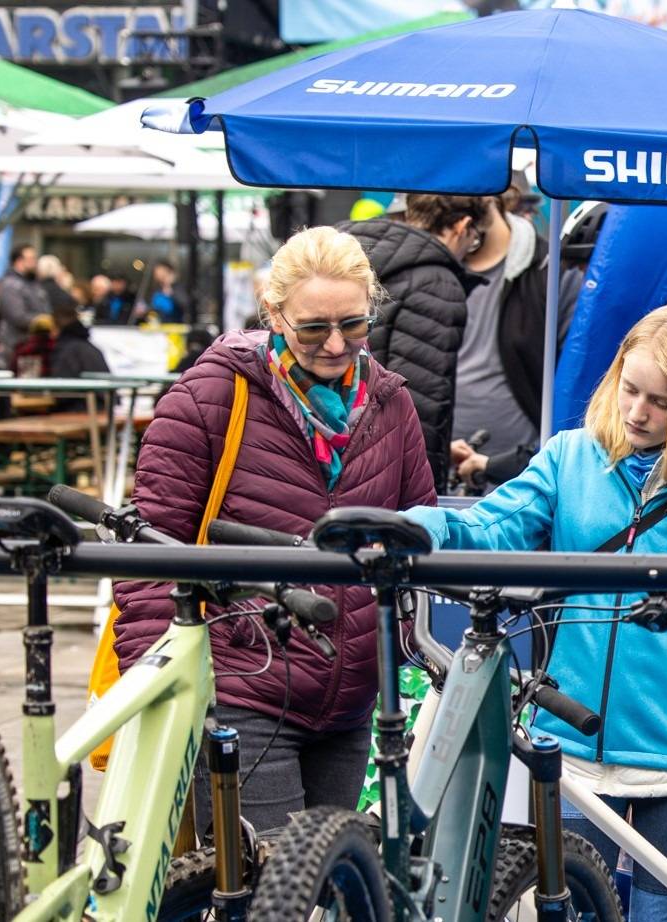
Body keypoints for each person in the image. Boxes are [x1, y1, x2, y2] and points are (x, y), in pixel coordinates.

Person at [404, 303, 667, 922]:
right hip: (572, 750)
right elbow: (491, 527)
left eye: (662, 402)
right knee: (568, 912)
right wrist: (414, 529)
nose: (637, 412)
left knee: (663, 918)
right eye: (630, 389)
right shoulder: (569, 457)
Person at [113, 226, 435, 833]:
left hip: (353, 700)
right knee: (269, 894)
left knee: (338, 884)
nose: (337, 345)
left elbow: (417, 530)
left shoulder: (391, 403)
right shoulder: (209, 396)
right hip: (244, 689)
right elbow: (147, 549)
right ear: (273, 312)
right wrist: (163, 691)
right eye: (314, 328)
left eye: (355, 324)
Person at [336, 193, 484, 493]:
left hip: (330, 457)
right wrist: (425, 490)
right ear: (462, 225)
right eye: (475, 239)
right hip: (386, 480)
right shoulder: (437, 283)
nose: (472, 249)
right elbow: (423, 407)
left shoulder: (347, 255)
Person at [446, 195, 581, 489]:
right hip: (432, 475)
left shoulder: (551, 270)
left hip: (522, 483)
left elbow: (578, 388)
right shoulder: (426, 268)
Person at [0, 244, 47, 348]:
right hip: (16, 343)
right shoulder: (10, 285)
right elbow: (18, 316)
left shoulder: (33, 283)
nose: (35, 263)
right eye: (31, 259)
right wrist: (43, 320)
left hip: (32, 342)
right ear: (19, 261)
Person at [47, 304, 110, 383]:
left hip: (84, 394)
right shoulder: (90, 347)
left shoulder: (67, 350)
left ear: (57, 328)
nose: (50, 335)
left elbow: (62, 384)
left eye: (51, 329)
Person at [11, 313, 55, 378]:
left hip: (23, 385)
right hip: (49, 385)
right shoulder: (54, 347)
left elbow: (14, 370)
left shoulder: (21, 348)